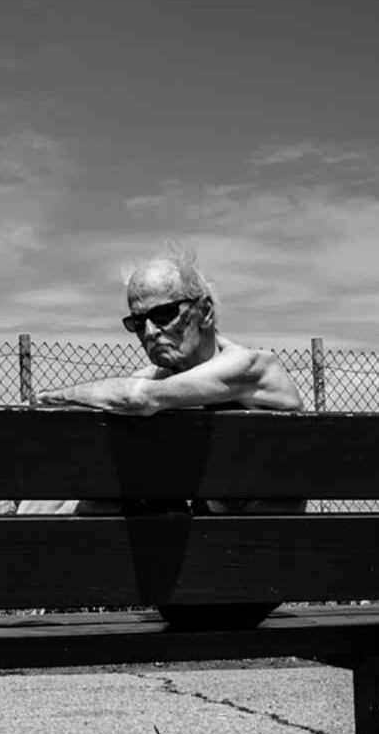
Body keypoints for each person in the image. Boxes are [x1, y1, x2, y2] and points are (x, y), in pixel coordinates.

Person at [28, 247, 306, 628]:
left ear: (205, 311)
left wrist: (56, 397)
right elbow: (127, 395)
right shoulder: (166, 377)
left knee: (112, 488)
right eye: (137, 322)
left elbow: (136, 396)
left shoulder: (254, 367)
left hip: (245, 584)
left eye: (162, 315)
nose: (149, 331)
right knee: (89, 480)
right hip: (196, 583)